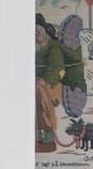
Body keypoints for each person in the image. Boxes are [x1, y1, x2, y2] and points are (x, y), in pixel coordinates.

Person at [35, 12, 86, 153]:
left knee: (40, 97)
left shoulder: (53, 47)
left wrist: (45, 81)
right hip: (36, 84)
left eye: (37, 31)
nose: (35, 35)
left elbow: (57, 68)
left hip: (50, 85)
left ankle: (48, 139)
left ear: (44, 31)